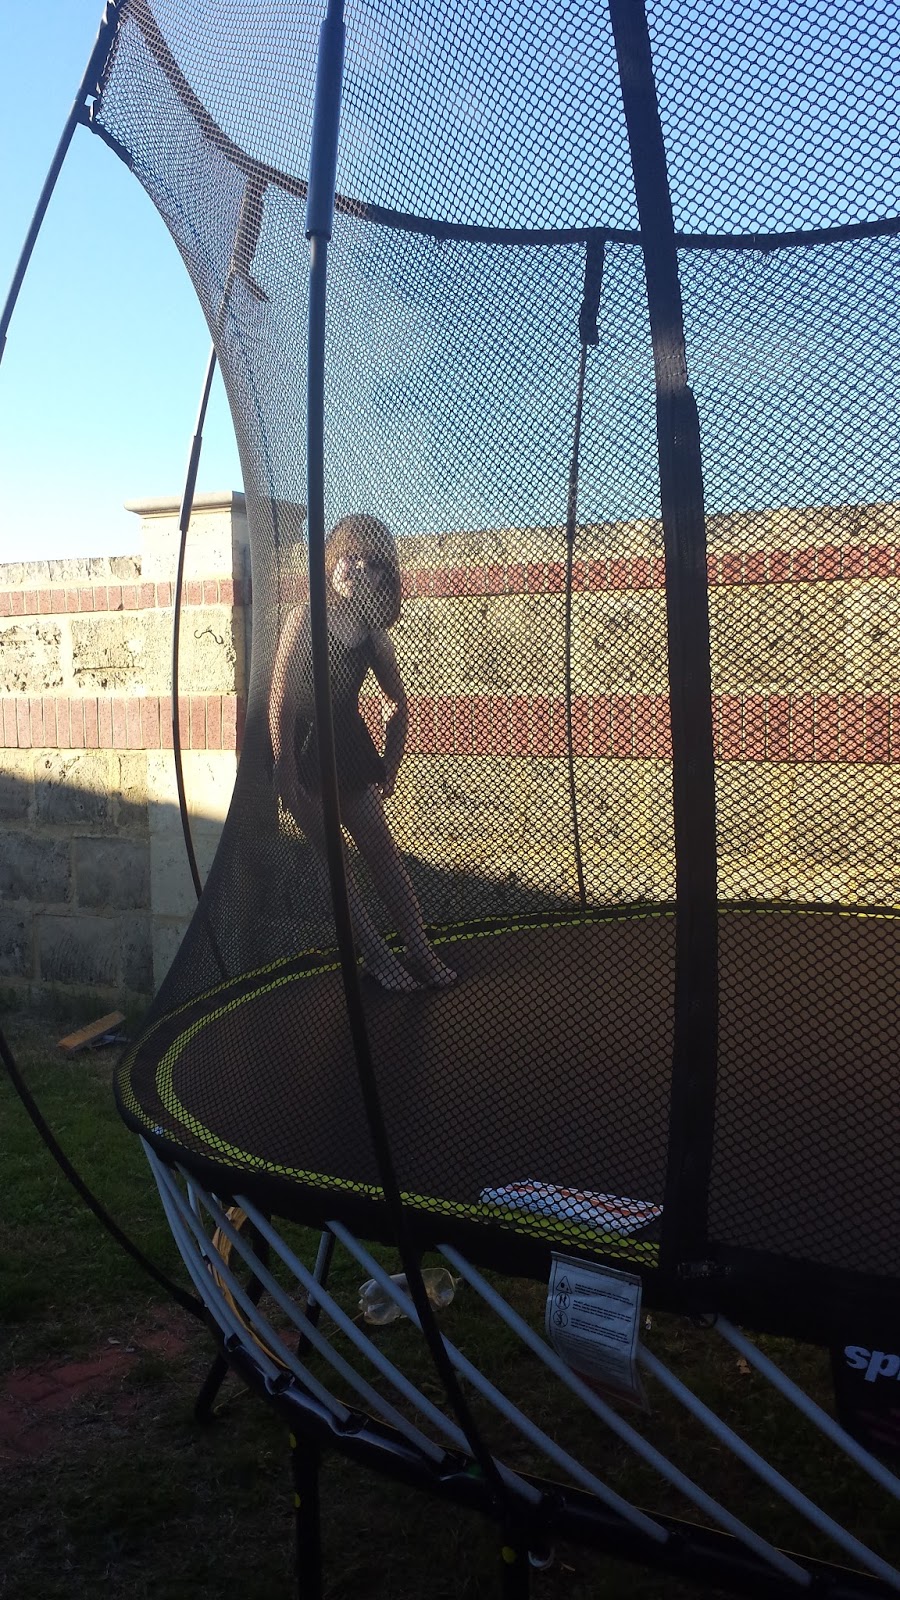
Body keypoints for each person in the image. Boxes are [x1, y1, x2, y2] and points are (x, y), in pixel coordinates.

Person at [270, 513, 456, 991]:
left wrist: (391, 765)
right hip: (306, 751)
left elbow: (400, 705)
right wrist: (285, 766)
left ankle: (419, 948)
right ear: (333, 561)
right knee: (335, 860)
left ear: (383, 576)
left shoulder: (374, 636)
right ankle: (378, 958)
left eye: (371, 563)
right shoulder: (305, 618)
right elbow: (282, 698)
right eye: (349, 557)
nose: (356, 568)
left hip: (349, 747)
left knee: (380, 848)